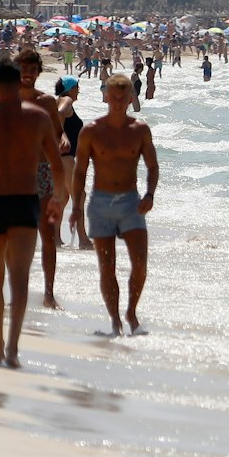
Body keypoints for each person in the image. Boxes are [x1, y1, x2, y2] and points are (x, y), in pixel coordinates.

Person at [0, 59, 65, 368]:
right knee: (19, 277)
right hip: (24, 201)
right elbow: (56, 166)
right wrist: (57, 199)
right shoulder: (38, 118)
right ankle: (14, 348)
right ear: (19, 83)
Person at [74, 73, 158, 336]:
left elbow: (153, 166)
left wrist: (150, 195)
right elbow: (79, 171)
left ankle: (131, 312)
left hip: (132, 202)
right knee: (106, 265)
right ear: (106, 97)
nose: (119, 102)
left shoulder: (140, 130)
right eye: (115, 98)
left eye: (124, 97)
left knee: (140, 263)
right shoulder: (91, 130)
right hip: (101, 203)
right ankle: (115, 321)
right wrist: (77, 206)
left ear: (131, 97)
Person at [16, 49, 67, 309]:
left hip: (43, 171)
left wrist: (65, 140)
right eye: (24, 69)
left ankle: (48, 292)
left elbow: (58, 133)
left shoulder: (47, 101)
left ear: (38, 72)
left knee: (46, 234)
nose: (28, 74)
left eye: (32, 69)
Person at [54, 76, 92, 250]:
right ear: (70, 88)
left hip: (59, 159)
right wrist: (62, 137)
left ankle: (55, 238)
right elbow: (60, 114)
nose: (79, 90)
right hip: (66, 158)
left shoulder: (58, 100)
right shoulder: (66, 100)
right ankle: (83, 240)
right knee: (79, 196)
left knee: (62, 198)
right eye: (77, 87)